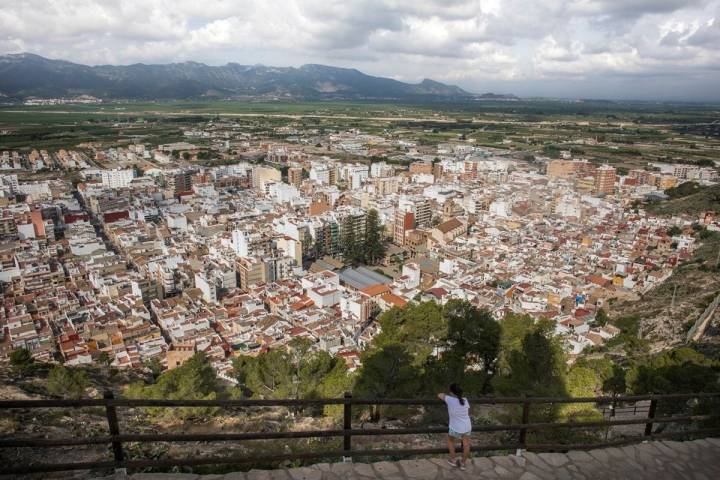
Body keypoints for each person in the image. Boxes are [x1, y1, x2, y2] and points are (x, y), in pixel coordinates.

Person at [437, 383, 471, 470]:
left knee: (450, 441)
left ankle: (453, 460)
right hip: (467, 426)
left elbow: (439, 395)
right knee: (466, 445)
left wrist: (449, 395)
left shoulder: (449, 399)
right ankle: (463, 464)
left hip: (455, 427)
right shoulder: (465, 400)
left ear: (451, 392)